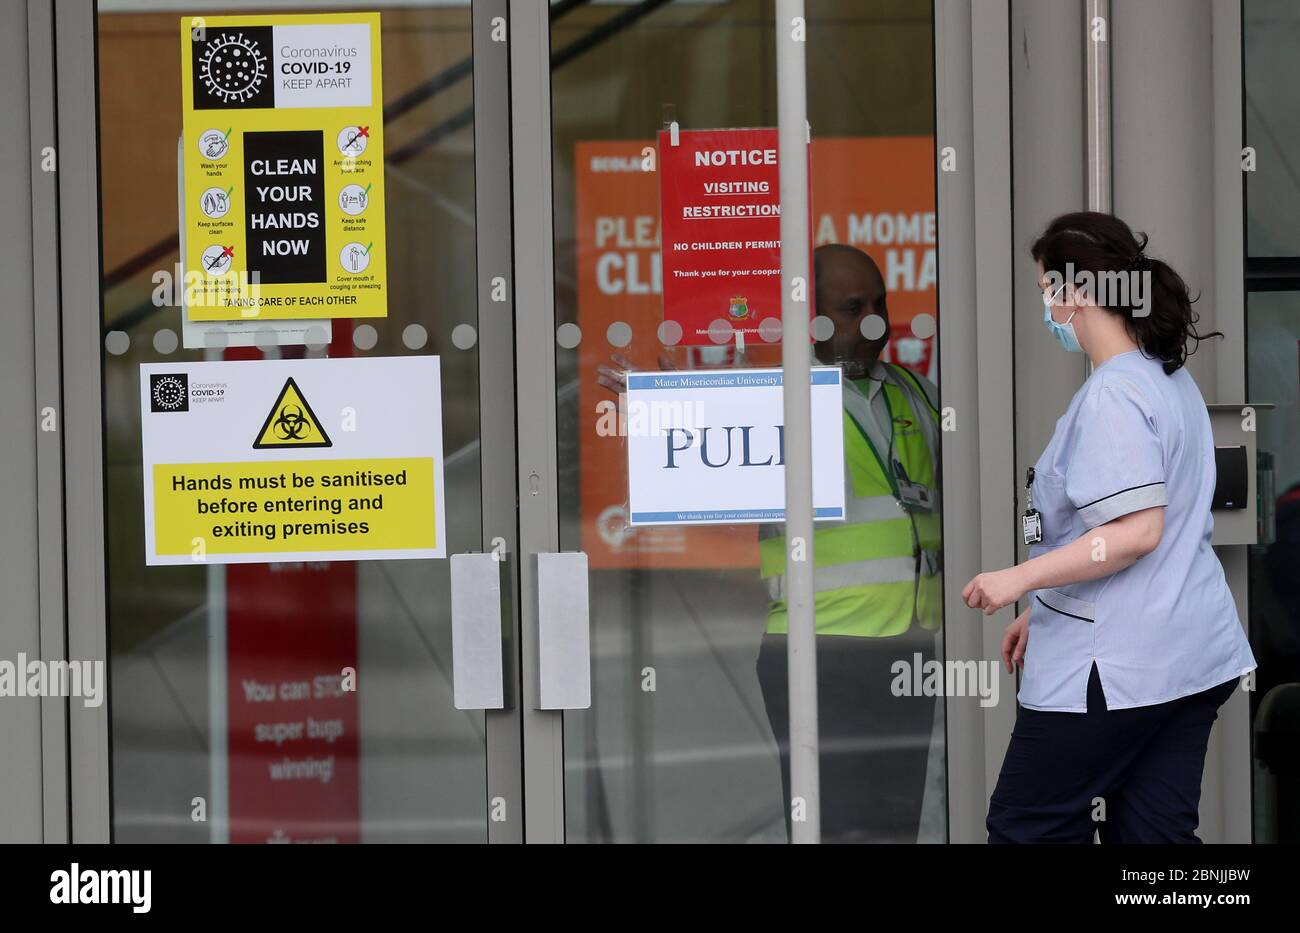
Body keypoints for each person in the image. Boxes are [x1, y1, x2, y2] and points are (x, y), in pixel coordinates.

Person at [598, 244, 943, 842]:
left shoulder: (916, 392)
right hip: (819, 645)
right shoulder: (772, 397)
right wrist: (654, 410)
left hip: (909, 642)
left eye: (880, 304)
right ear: (809, 313)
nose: (874, 322)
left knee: (894, 827)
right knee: (836, 829)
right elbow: (694, 452)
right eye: (851, 307)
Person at [962, 211, 1257, 844]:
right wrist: (1042, 608)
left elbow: (1135, 533)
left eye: (1047, 290)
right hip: (1189, 661)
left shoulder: (1112, 395)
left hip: (1117, 669)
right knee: (1155, 842)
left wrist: (1017, 579)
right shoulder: (1168, 381)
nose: (1046, 308)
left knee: (1027, 829)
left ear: (1077, 293)